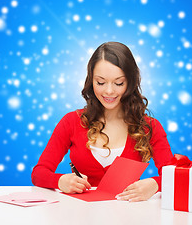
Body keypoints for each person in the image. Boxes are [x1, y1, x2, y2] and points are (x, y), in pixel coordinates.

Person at [31, 41, 173, 202]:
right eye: (100, 82)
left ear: (130, 82)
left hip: (130, 216)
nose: (109, 91)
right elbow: (38, 173)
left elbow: (174, 175)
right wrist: (59, 181)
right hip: (81, 215)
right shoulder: (71, 121)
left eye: (119, 83)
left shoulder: (149, 126)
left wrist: (155, 184)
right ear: (91, 81)